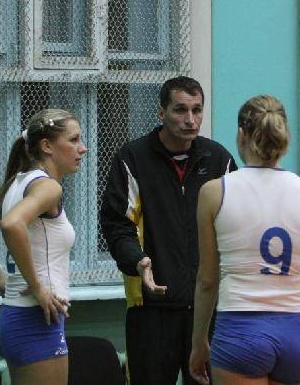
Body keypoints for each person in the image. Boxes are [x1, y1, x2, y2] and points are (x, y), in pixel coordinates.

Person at [189, 95, 300, 385]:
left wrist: (199, 342)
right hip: (296, 332)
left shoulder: (214, 192)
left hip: (240, 329)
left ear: (241, 135)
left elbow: (207, 280)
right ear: (284, 136)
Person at [99, 76, 237, 385]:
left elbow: (237, 225)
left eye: (197, 110)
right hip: (151, 309)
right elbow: (117, 224)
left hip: (209, 311)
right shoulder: (132, 158)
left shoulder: (219, 159)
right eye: (180, 110)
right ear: (161, 113)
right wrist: (138, 261)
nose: (190, 120)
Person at [0, 109, 87, 385]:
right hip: (34, 320)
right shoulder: (49, 188)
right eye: (74, 140)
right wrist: (36, 287)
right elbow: (12, 224)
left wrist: (1, 280)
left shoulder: (17, 184)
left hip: (16, 316)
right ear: (47, 146)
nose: (82, 148)